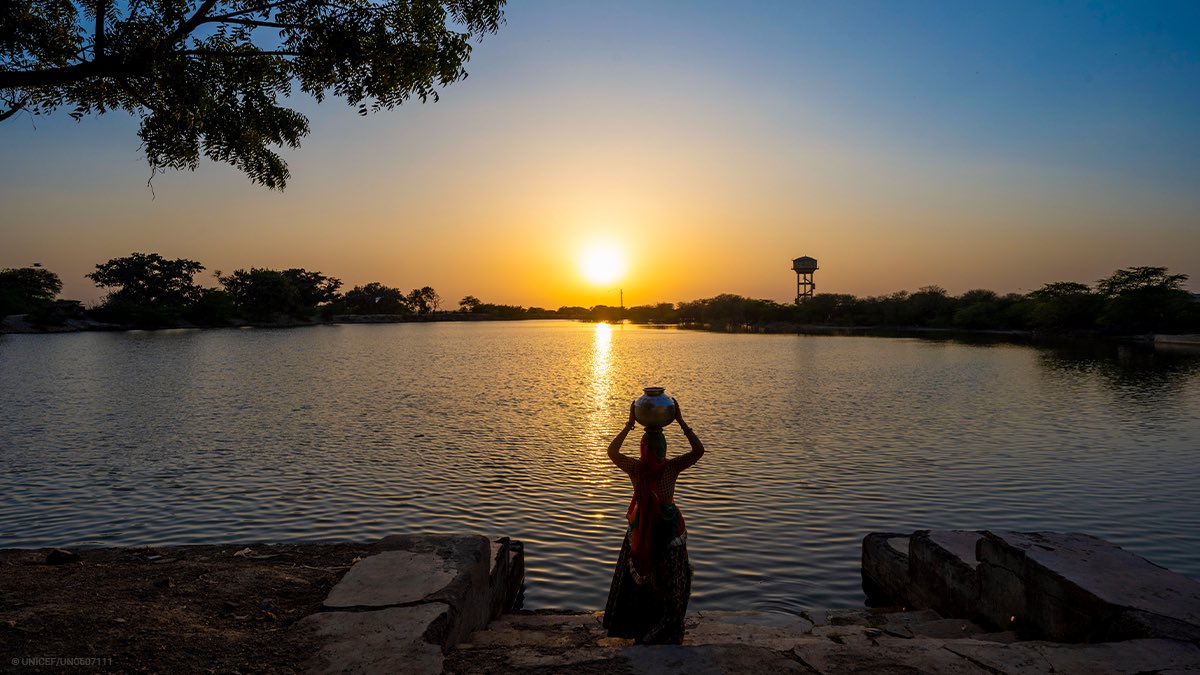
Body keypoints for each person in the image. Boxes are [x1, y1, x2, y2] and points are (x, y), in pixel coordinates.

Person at [602, 397, 705, 644]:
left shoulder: (636, 468)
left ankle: (641, 628)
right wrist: (681, 422)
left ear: (643, 448)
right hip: (668, 530)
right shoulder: (671, 468)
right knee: (669, 583)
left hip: (645, 530)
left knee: (642, 580)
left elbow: (611, 451)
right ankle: (664, 627)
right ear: (663, 449)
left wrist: (629, 425)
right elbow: (698, 451)